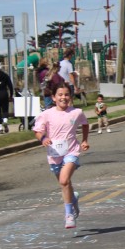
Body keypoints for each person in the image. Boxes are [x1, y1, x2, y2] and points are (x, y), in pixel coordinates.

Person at [33, 83, 90, 230]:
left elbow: (85, 124)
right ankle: (73, 198)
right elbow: (37, 131)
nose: (63, 97)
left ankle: (68, 214)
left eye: (66, 94)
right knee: (65, 184)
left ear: (70, 97)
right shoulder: (46, 114)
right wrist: (43, 138)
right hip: (54, 154)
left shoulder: (76, 112)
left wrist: (84, 140)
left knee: (64, 180)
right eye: (60, 95)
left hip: (71, 152)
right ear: (53, 97)